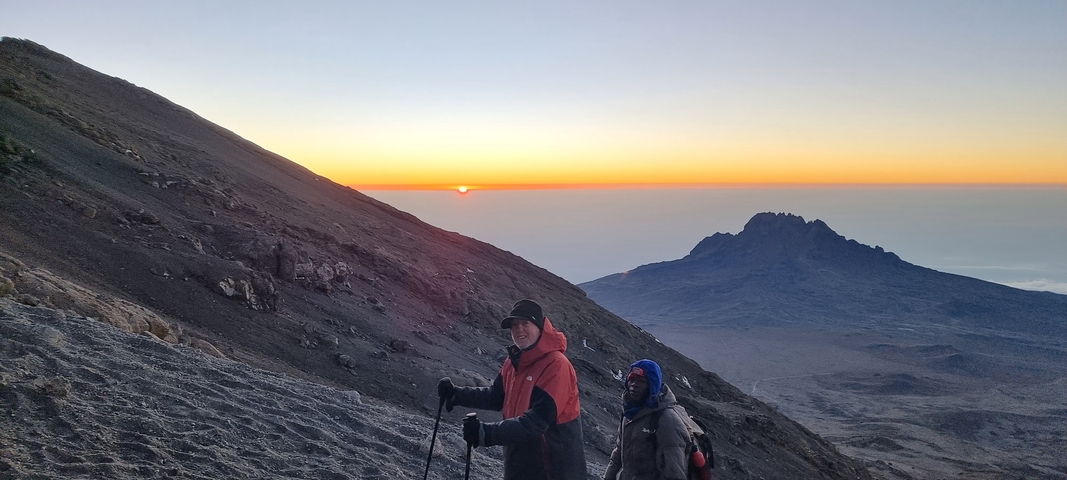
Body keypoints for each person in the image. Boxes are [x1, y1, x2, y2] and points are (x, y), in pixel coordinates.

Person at [438, 299, 586, 480]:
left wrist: (486, 433)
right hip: (520, 462)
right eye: (514, 325)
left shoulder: (556, 365)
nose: (519, 329)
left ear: (540, 327)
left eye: (525, 323)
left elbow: (536, 422)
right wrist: (456, 395)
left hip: (552, 469)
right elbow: (495, 397)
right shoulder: (515, 361)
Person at [603, 359, 690, 480]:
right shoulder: (629, 413)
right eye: (631, 380)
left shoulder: (666, 419)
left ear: (652, 385)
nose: (634, 385)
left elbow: (674, 471)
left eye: (641, 381)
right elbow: (618, 454)